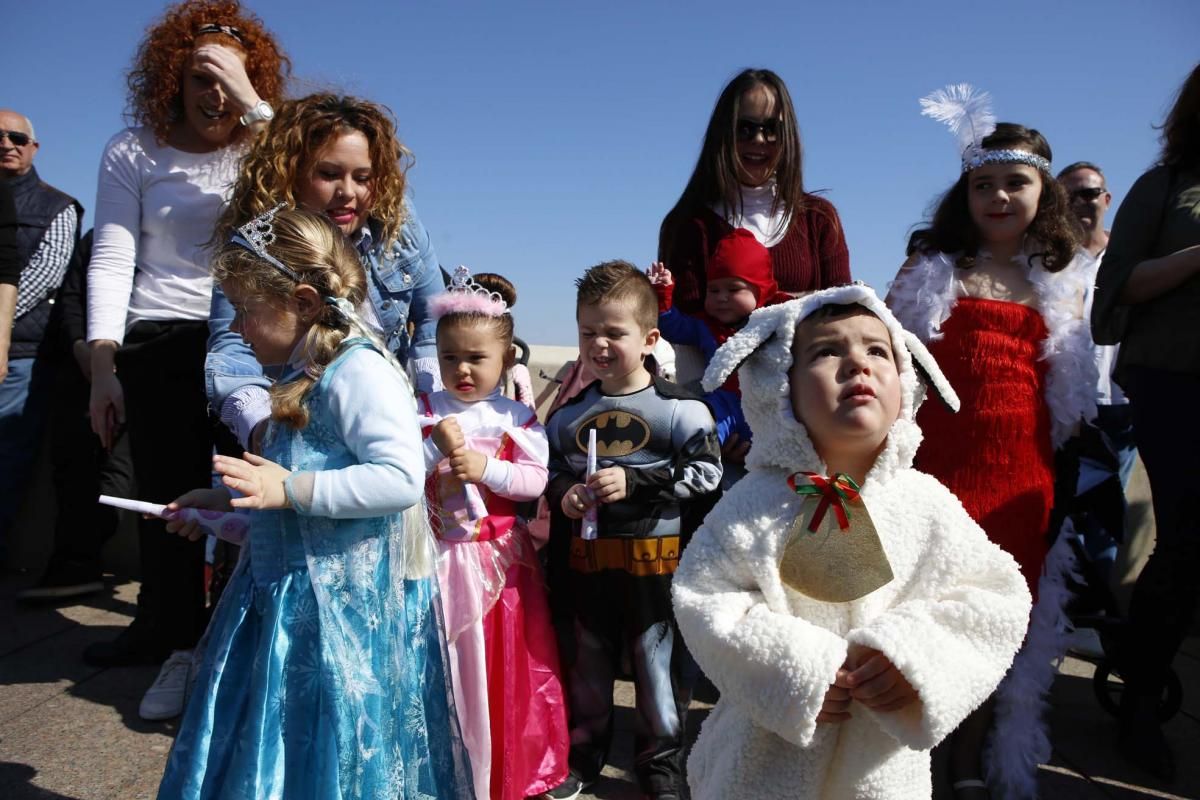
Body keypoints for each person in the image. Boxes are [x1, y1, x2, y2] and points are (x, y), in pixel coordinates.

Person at [156, 206, 472, 799]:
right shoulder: (303, 372)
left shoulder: (358, 371)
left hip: (340, 612)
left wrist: (289, 490)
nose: (240, 328)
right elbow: (292, 488)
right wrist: (222, 502)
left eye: (248, 309)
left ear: (302, 301)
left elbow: (400, 478)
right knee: (284, 731)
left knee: (332, 737)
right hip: (291, 599)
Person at [671, 284, 1031, 800]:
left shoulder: (926, 505)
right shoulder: (754, 503)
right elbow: (704, 596)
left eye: (877, 350)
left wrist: (913, 659)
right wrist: (796, 672)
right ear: (779, 385)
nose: (857, 364)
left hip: (880, 770)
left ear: (907, 379)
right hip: (760, 766)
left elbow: (994, 598)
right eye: (826, 351)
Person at [82, 0, 288, 728]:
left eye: (227, 78)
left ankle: (236, 642)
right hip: (159, 334)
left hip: (247, 332)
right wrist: (104, 362)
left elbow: (308, 196)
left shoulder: (265, 146)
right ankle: (168, 636)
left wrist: (256, 106)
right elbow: (114, 252)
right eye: (200, 76)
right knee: (168, 493)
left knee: (246, 489)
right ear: (171, 78)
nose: (213, 94)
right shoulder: (132, 149)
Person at [888, 86, 1096, 798]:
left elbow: (1068, 401)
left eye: (1016, 182)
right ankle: (922, 763)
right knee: (927, 615)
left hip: (1020, 486)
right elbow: (891, 366)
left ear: (1046, 193)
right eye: (983, 184)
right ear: (963, 194)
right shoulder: (931, 273)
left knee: (998, 623)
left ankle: (975, 764)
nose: (999, 196)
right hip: (937, 475)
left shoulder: (1060, 288)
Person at [544, 261, 722, 800]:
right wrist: (563, 496)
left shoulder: (681, 409)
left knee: (657, 674)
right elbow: (543, 475)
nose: (599, 344)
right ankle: (583, 759)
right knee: (588, 672)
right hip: (586, 571)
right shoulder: (567, 415)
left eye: (613, 332)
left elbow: (707, 475)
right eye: (587, 332)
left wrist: (638, 481)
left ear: (648, 338)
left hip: (657, 570)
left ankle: (659, 768)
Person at [209, 93, 445, 456]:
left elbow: (434, 321)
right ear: (290, 173)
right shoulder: (255, 244)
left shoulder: (401, 224)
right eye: (329, 174)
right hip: (295, 431)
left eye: (363, 178)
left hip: (385, 427)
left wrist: (436, 409)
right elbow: (232, 350)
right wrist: (262, 433)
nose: (348, 192)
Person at [420, 267, 570, 800]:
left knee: (498, 665)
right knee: (440, 664)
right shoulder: (423, 411)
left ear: (506, 360)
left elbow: (534, 483)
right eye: (450, 357)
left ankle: (501, 767)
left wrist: (485, 471)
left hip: (497, 562)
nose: (462, 369)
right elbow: (402, 473)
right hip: (432, 558)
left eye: (476, 358)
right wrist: (433, 451)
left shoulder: (516, 417)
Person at [1091, 62, 1200, 783]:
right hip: (1176, 379)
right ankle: (1140, 702)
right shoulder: (1165, 188)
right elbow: (1114, 296)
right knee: (1189, 538)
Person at [657, 68, 850, 315]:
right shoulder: (687, 226)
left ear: (788, 135)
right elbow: (690, 325)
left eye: (772, 129)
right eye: (744, 128)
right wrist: (803, 300)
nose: (758, 139)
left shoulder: (820, 218)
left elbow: (842, 310)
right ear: (722, 134)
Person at [17, 230, 138, 601]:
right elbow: (71, 299)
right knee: (71, 465)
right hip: (82, 368)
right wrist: (82, 349)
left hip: (139, 362)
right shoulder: (98, 239)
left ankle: (82, 558)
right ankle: (73, 563)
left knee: (119, 468)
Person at [0, 110, 82, 556]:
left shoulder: (57, 205)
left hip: (22, 353)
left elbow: (45, 275)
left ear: (34, 147)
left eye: (17, 137)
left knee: (6, 453)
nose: (7, 143)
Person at [648, 227, 789, 451]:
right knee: (698, 425)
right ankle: (690, 465)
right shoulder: (706, 325)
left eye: (734, 289)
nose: (722, 297)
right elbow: (673, 327)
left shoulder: (779, 319)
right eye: (713, 290)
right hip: (724, 403)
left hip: (770, 404)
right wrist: (662, 294)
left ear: (761, 291)